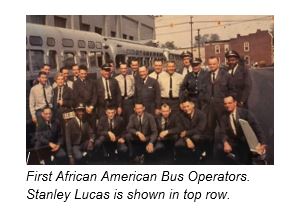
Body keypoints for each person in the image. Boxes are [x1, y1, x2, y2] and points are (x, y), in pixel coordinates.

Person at [199, 56, 235, 157]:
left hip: (222, 108)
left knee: (225, 129)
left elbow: (232, 90)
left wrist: (228, 103)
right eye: (210, 64)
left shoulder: (226, 75)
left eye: (214, 64)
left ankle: (229, 152)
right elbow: (201, 91)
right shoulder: (205, 76)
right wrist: (205, 101)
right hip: (209, 108)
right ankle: (209, 154)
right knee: (209, 130)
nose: (212, 66)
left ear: (218, 63)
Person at [220, 96, 266, 164]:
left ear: (235, 103)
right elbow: (222, 132)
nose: (227, 105)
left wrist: (262, 144)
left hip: (247, 143)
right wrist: (225, 143)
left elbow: (257, 128)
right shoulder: (224, 117)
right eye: (225, 103)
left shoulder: (245, 114)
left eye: (229, 103)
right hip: (234, 144)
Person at [175, 99, 207, 164]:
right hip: (186, 137)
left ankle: (201, 153)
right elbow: (180, 130)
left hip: (199, 135)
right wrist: (187, 139)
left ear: (193, 105)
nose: (186, 109)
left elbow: (200, 129)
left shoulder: (201, 114)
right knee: (177, 145)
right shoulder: (180, 115)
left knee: (196, 138)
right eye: (184, 107)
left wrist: (186, 133)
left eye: (188, 106)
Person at [72, 65, 97, 129]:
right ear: (79, 73)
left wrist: (91, 106)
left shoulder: (92, 82)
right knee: (84, 128)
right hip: (82, 109)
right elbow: (76, 97)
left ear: (87, 73)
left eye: (85, 73)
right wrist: (85, 107)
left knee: (93, 126)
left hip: (92, 109)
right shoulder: (75, 83)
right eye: (82, 73)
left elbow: (95, 95)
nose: (83, 75)